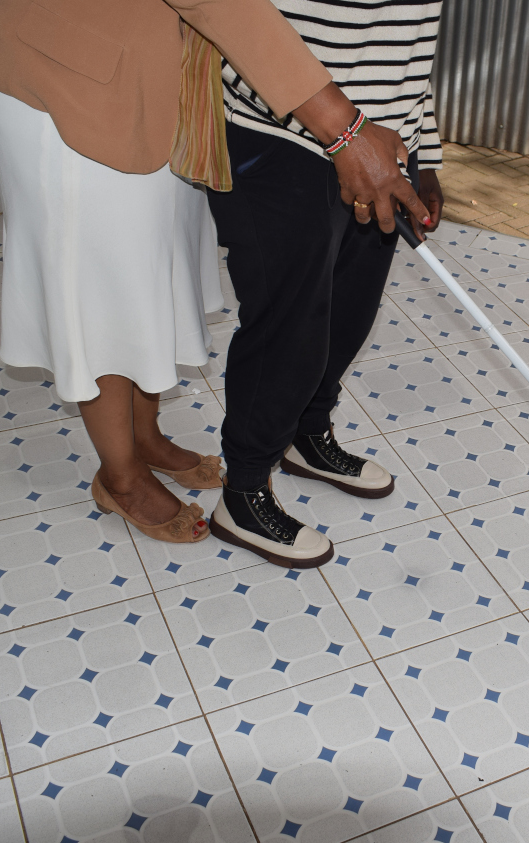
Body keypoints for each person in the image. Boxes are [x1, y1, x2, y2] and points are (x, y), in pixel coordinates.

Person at [0, 0, 429, 544]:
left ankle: (145, 437)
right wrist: (344, 131)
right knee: (96, 283)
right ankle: (121, 475)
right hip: (68, 75)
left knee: (146, 269)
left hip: (167, 78)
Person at [205, 1, 446, 567]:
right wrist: (347, 136)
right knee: (290, 326)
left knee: (350, 309)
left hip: (383, 154)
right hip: (282, 138)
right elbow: (237, 20)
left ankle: (307, 435)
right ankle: (243, 490)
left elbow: (408, 42)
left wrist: (424, 155)